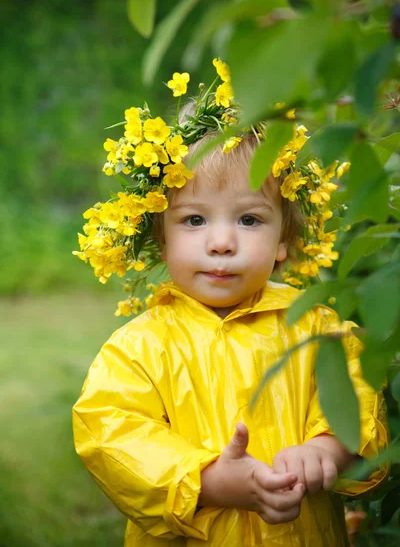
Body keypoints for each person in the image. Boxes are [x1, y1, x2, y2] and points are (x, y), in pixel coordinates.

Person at [72, 61, 388, 546]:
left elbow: (358, 395)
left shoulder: (317, 328)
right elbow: (111, 437)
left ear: (284, 238)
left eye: (249, 220)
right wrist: (210, 481)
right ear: (161, 235)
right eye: (195, 221)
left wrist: (329, 448)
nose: (221, 242)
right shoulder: (138, 349)